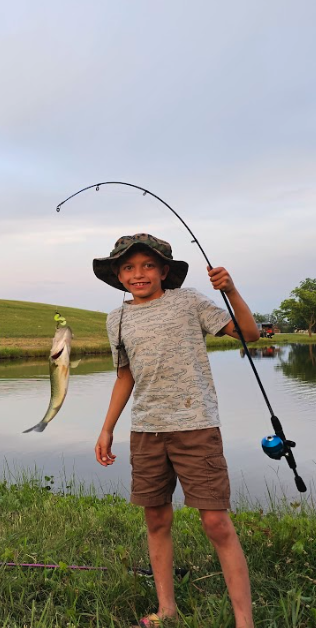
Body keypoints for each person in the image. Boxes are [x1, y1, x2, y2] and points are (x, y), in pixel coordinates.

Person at [93, 233, 258, 628]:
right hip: (146, 429)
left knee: (216, 522)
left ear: (165, 271)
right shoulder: (116, 319)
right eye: (129, 267)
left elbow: (249, 334)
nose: (139, 274)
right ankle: (167, 610)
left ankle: (244, 621)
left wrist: (231, 291)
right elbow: (125, 375)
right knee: (156, 519)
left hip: (195, 426)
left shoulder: (188, 301)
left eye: (148, 265)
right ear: (117, 275)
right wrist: (106, 429)